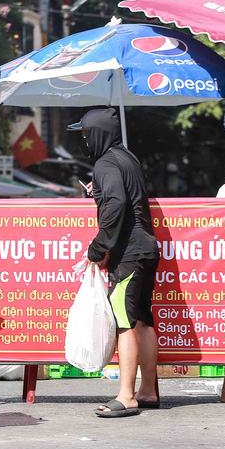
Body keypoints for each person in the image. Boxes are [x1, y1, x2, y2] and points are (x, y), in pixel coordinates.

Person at [69, 107, 160, 418]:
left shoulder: (104, 163)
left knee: (123, 322)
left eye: (84, 134)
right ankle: (148, 390)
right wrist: (101, 193)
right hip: (147, 248)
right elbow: (123, 195)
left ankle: (127, 395)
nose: (83, 139)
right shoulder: (126, 158)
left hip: (129, 253)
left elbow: (118, 204)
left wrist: (97, 248)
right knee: (142, 322)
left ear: (96, 134)